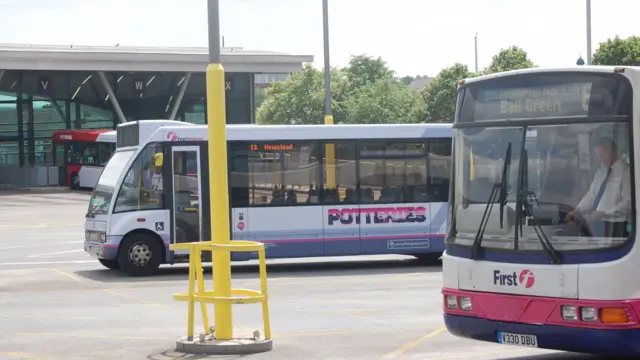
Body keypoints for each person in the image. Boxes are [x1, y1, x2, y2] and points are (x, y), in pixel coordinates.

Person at [565, 137, 631, 238]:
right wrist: (577, 210)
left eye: (601, 155)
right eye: (598, 155)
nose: (600, 159)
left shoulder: (626, 171)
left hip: (616, 225)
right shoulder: (601, 171)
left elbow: (628, 202)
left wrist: (604, 213)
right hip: (598, 224)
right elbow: (592, 194)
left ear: (611, 151)